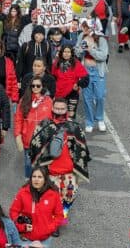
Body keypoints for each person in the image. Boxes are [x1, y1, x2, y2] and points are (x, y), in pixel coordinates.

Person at [29, 98, 90, 234]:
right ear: (52, 108)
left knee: (68, 199)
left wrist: (78, 169)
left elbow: (82, 148)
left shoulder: (74, 127)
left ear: (66, 110)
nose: (59, 111)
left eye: (62, 109)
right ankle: (53, 224)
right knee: (51, 200)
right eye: (57, 108)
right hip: (50, 172)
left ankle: (59, 218)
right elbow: (35, 145)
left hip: (69, 174)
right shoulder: (44, 125)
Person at [9, 166, 63, 246]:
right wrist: (22, 227)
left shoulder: (53, 195)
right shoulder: (23, 192)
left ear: (45, 179)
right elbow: (13, 211)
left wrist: (49, 228)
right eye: (34, 176)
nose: (36, 179)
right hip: (25, 238)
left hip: (45, 239)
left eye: (40, 177)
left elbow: (59, 215)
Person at [15, 76, 54, 179]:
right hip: (28, 140)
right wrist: (17, 135)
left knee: (43, 165)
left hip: (43, 140)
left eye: (38, 85)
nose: (35, 87)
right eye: (33, 85)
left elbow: (53, 120)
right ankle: (28, 183)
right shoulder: (24, 100)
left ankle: (42, 185)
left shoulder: (48, 101)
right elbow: (18, 119)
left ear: (42, 87)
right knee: (29, 164)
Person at [75, 23, 109, 133]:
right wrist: (82, 46)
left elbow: (103, 56)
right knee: (87, 97)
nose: (86, 29)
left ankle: (100, 119)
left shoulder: (101, 39)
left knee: (100, 96)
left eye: (88, 27)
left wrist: (90, 50)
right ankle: (89, 121)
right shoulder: (81, 37)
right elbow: (77, 52)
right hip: (86, 71)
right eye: (84, 27)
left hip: (98, 71)